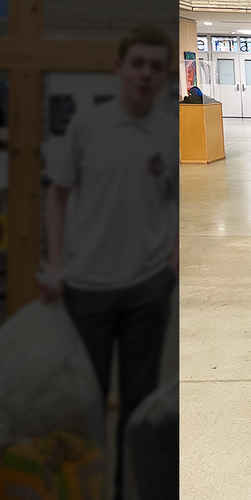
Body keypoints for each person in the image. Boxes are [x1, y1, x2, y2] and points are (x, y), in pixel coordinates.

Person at [40, 25, 177, 500]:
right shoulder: (85, 127)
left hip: (145, 288)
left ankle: (124, 489)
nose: (146, 73)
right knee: (85, 401)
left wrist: (172, 264)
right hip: (85, 287)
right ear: (119, 67)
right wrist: (56, 265)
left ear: (165, 75)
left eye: (156, 66)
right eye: (137, 63)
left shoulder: (166, 133)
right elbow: (57, 197)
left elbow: (178, 202)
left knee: (139, 403)